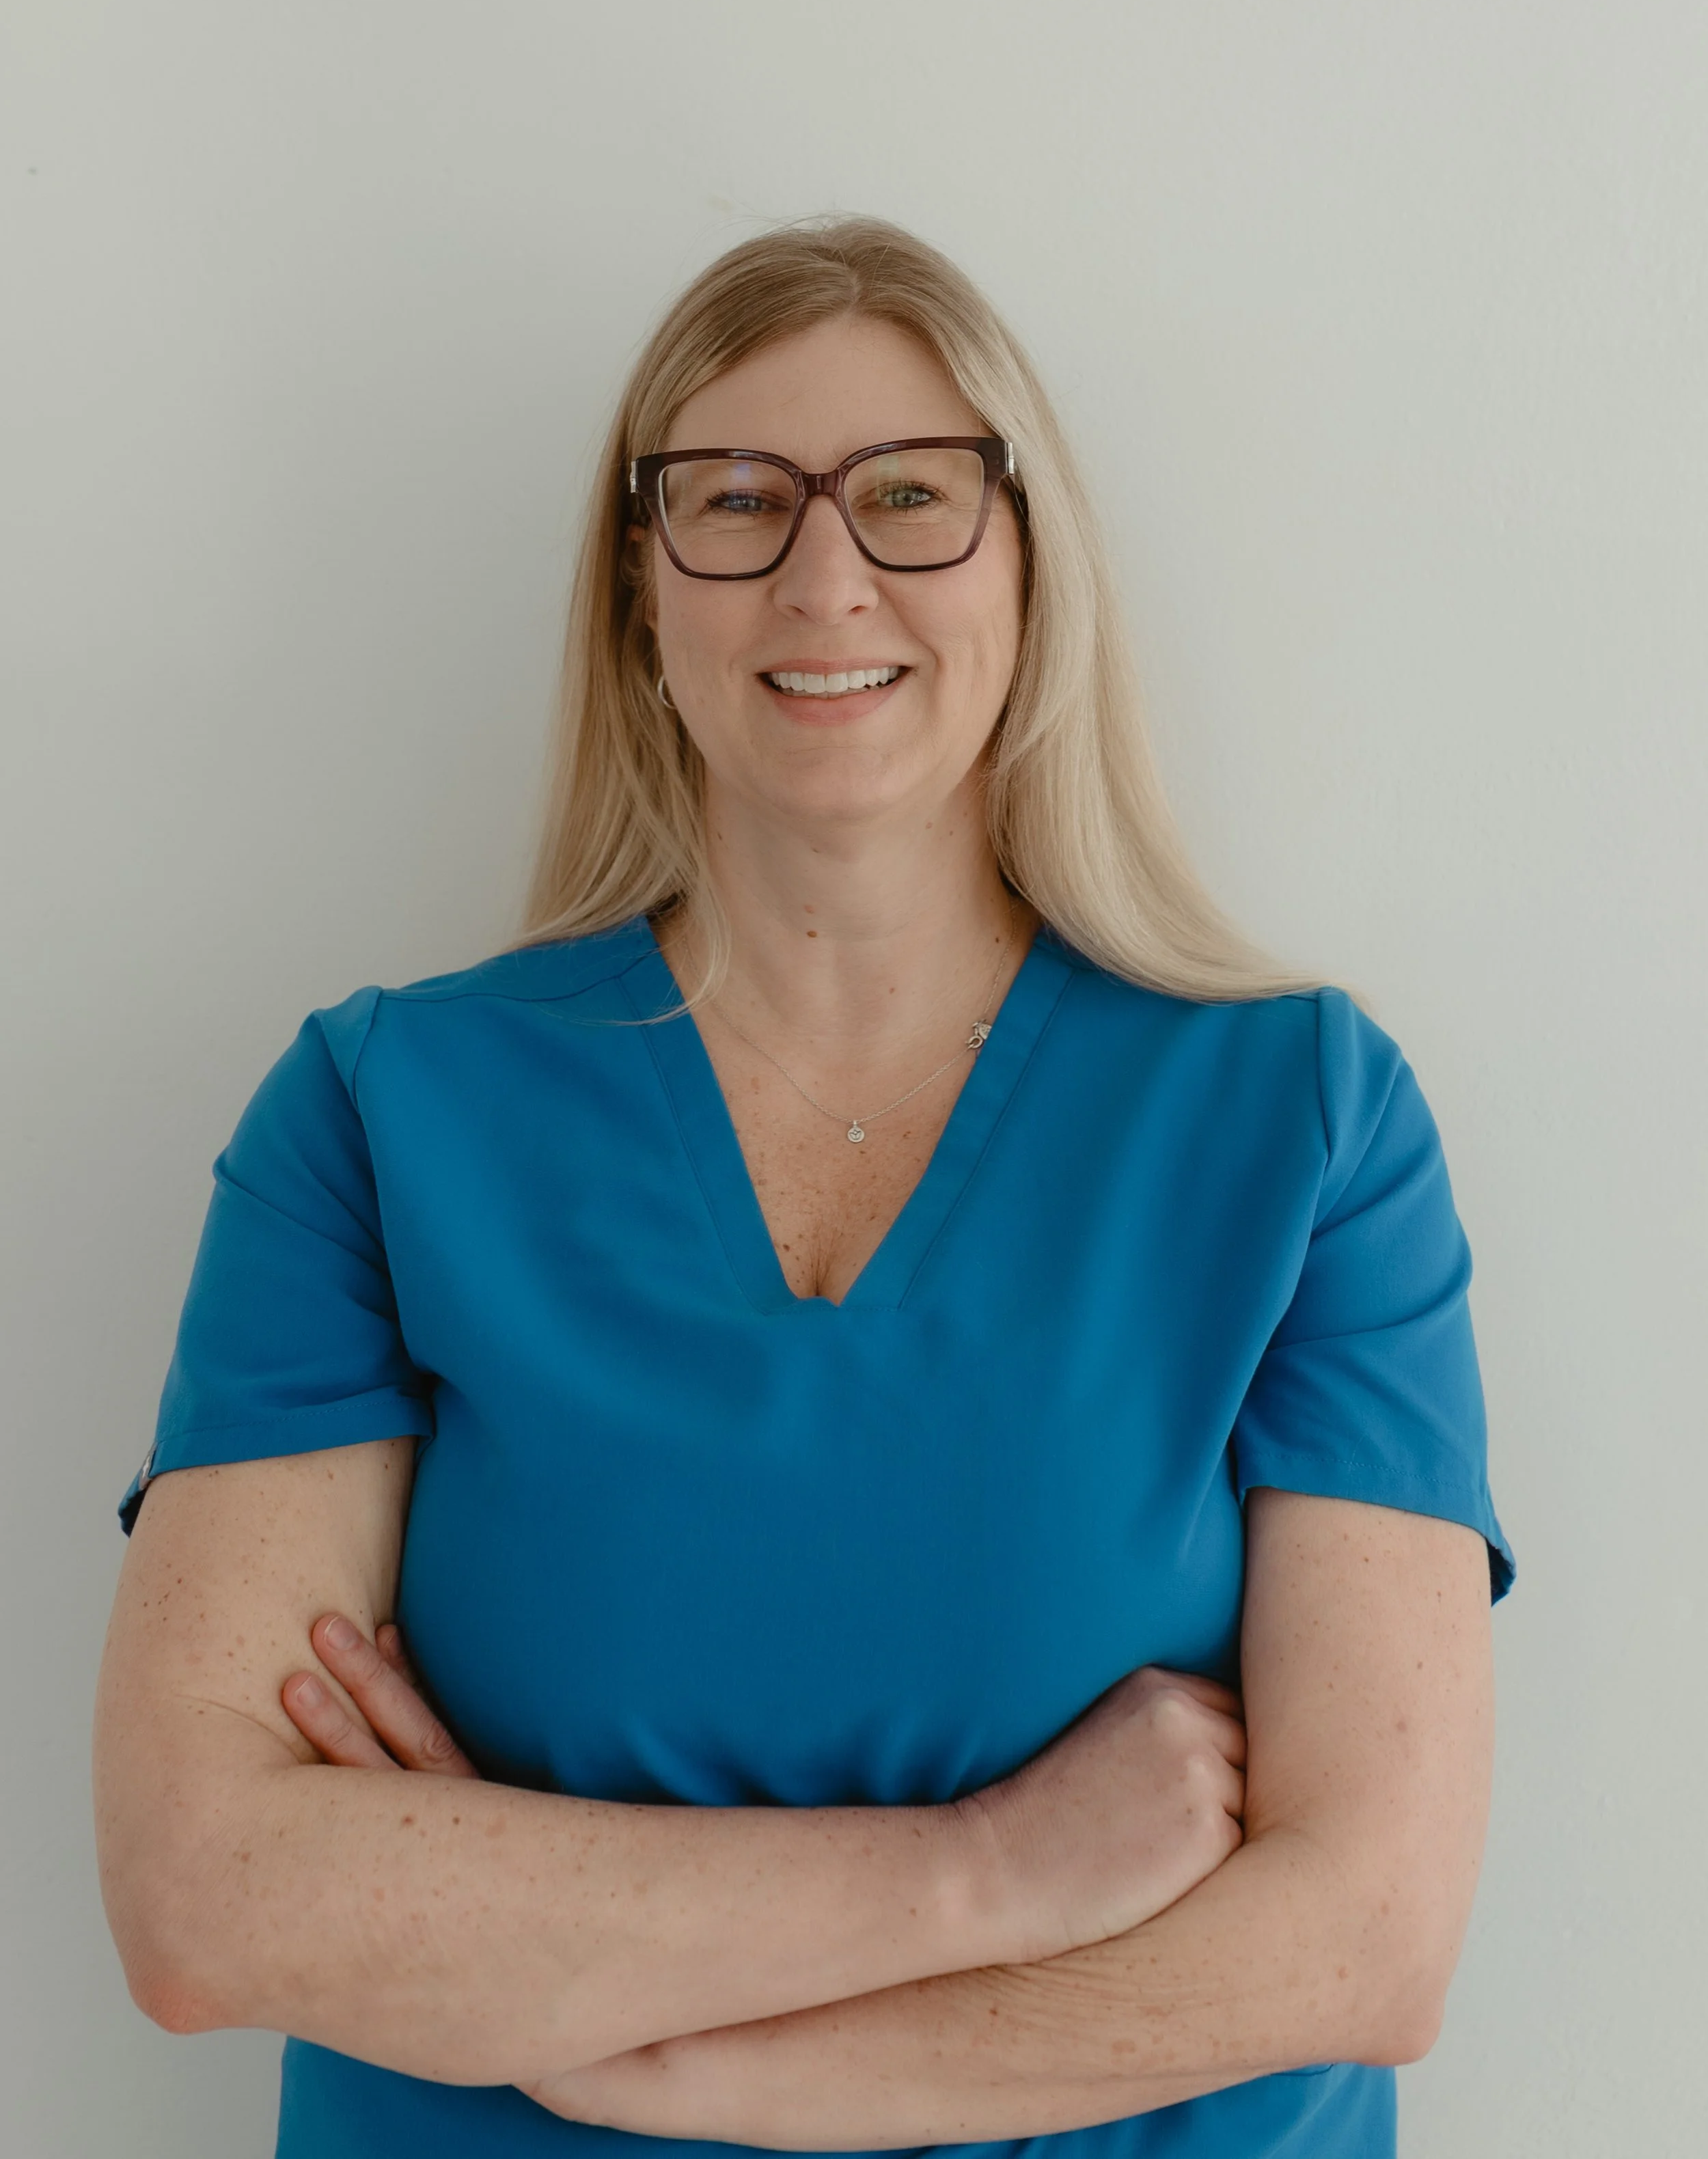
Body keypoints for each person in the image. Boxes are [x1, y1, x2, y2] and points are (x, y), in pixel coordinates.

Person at [94, 217, 1513, 2159]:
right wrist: (992, 1870)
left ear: (1026, 564)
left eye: (915, 495)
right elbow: (208, 1895)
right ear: (638, 590)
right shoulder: (375, 1111)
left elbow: (1363, 1940)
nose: (825, 573)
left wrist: (653, 2050)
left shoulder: (1304, 1122)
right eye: (736, 499)